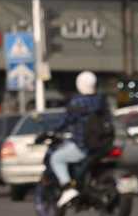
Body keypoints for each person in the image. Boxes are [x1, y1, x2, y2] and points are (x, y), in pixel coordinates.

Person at [45, 70, 114, 207]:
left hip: (84, 145)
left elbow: (63, 123)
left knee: (56, 158)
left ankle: (68, 188)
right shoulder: (101, 100)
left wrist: (48, 131)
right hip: (105, 144)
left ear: (79, 84)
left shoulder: (77, 102)